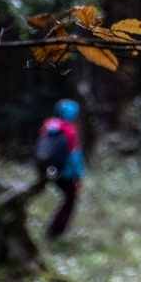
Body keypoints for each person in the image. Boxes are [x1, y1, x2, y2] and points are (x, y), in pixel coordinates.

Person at [35, 99, 85, 238]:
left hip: (47, 169)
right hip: (65, 172)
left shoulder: (48, 125)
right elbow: (74, 156)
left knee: (64, 198)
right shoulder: (69, 130)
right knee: (70, 200)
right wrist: (78, 176)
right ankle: (55, 232)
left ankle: (52, 230)